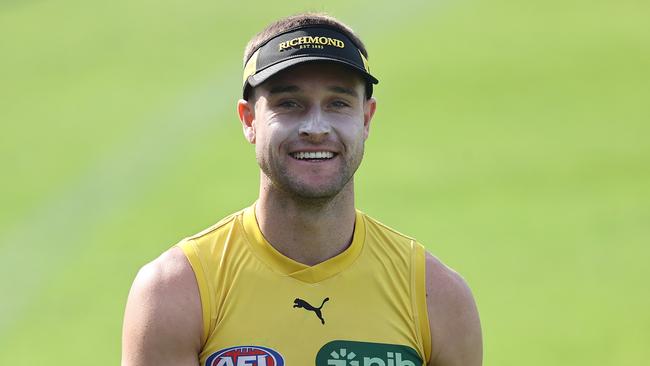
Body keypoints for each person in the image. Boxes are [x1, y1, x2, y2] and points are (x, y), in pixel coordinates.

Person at [122, 12, 482, 366]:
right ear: (249, 121)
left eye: (338, 103)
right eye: (289, 104)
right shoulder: (177, 291)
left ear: (366, 118)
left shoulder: (436, 297)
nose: (315, 127)